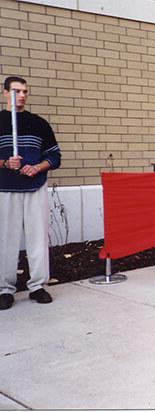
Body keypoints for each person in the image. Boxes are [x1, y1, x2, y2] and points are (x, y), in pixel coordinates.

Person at [0, 76, 61, 310]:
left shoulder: (39, 124)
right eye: (16, 91)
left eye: (25, 91)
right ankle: (5, 289)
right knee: (6, 239)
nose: (22, 96)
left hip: (34, 186)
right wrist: (6, 163)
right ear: (6, 93)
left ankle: (37, 286)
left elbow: (54, 156)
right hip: (6, 187)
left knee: (37, 237)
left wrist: (37, 167)